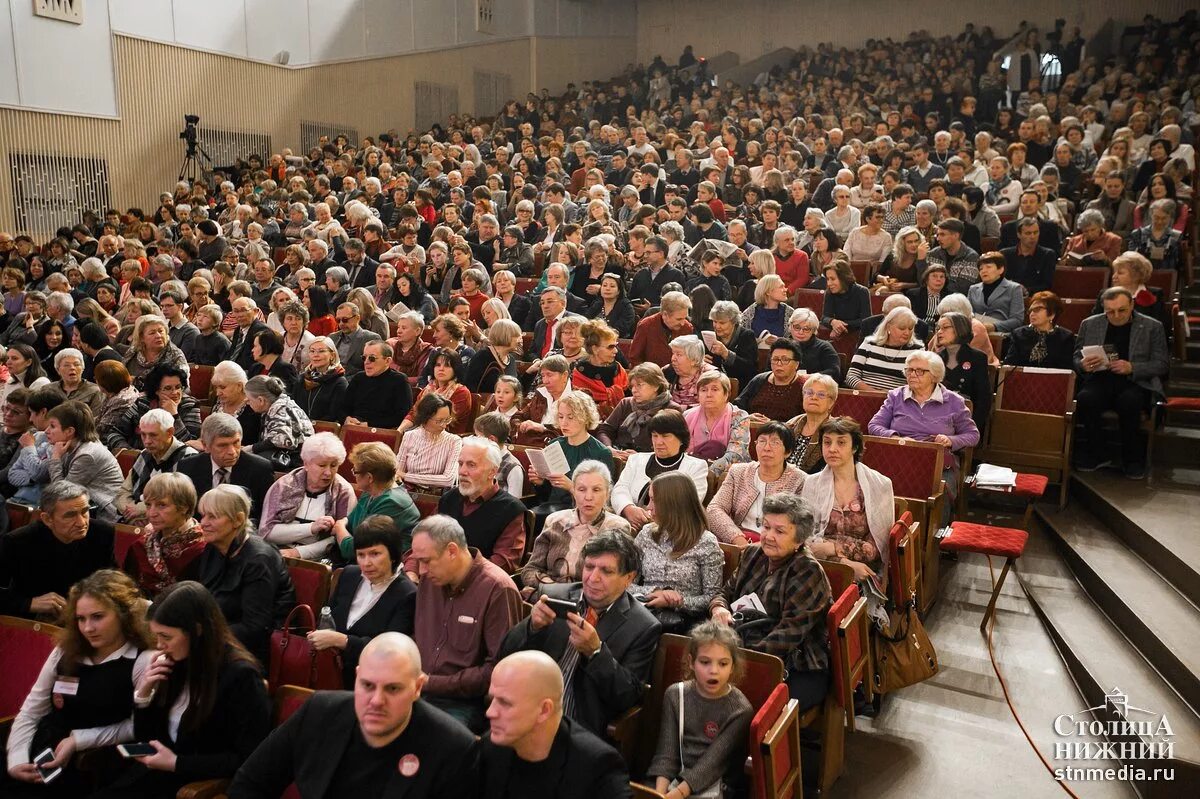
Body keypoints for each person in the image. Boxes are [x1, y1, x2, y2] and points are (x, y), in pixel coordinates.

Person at [227, 632, 480, 798]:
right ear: (356, 677)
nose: (377, 701)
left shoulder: (453, 748)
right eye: (368, 685)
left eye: (393, 688)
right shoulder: (319, 712)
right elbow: (250, 783)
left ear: (418, 687)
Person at [107, 581, 270, 797]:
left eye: (166, 637)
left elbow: (249, 758)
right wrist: (144, 693)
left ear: (198, 630)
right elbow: (147, 739)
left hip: (193, 785)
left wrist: (177, 763)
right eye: (157, 636)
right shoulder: (175, 662)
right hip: (155, 777)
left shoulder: (241, 676)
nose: (159, 645)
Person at [4, 569, 153, 797]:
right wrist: (16, 759)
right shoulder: (66, 649)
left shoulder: (142, 659)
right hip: (47, 742)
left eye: (97, 617)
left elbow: (137, 727)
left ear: (124, 614)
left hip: (99, 756)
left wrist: (78, 741)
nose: (87, 628)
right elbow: (32, 711)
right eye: (81, 619)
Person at [500, 530, 661, 737]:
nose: (593, 578)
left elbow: (626, 697)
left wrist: (596, 652)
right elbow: (505, 654)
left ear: (628, 578)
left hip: (579, 729)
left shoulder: (642, 626)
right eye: (589, 567)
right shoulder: (554, 596)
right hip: (528, 712)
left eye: (606, 571)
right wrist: (532, 627)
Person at [710, 494, 830, 708]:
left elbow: (789, 633)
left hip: (795, 662)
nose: (768, 536)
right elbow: (724, 593)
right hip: (740, 647)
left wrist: (741, 659)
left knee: (739, 704)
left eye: (780, 531)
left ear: (799, 539)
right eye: (765, 527)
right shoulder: (753, 554)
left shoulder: (807, 571)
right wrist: (719, 608)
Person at [410, 515, 523, 732]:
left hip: (464, 703)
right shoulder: (430, 580)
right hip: (417, 687)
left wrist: (431, 682)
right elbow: (419, 638)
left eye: (426, 561)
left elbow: (499, 669)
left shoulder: (498, 589)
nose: (421, 571)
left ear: (452, 551)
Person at [481, 650, 631, 799]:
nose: (490, 712)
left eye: (505, 703)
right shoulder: (491, 748)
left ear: (544, 710)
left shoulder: (597, 766)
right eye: (492, 699)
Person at [308, 516, 416, 688]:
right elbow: (327, 616)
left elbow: (389, 651)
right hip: (326, 670)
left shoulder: (407, 594)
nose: (367, 563)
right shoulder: (349, 574)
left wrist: (342, 641)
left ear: (393, 555)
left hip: (371, 681)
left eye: (375, 554)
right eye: (361, 555)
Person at [647, 622, 753, 799]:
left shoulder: (741, 709)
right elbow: (666, 754)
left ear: (733, 667)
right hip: (675, 780)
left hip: (716, 785)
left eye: (723, 664)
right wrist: (659, 794)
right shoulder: (675, 695)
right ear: (691, 662)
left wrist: (678, 794)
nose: (713, 671)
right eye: (705, 662)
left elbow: (713, 763)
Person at [1073, 287, 1169, 479]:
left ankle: (1132, 459)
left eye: (1122, 310)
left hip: (1134, 381)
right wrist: (1083, 364)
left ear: (1132, 305)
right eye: (1110, 311)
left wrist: (1132, 367)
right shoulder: (1089, 324)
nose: (1116, 316)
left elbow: (1162, 364)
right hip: (1100, 378)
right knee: (1085, 399)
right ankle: (1098, 453)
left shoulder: (1152, 326)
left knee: (1129, 402)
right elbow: (1076, 356)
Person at [192, 484, 295, 663]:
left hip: (249, 652)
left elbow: (254, 628)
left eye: (213, 516)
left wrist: (202, 636)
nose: (203, 523)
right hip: (216, 636)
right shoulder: (212, 548)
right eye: (203, 515)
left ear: (238, 520)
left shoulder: (259, 559)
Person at [868, 351, 981, 513]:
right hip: (898, 456)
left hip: (937, 463)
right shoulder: (896, 396)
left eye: (919, 371)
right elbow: (874, 425)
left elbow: (972, 435)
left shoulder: (954, 401)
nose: (912, 374)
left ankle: (934, 535)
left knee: (938, 494)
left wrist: (950, 440)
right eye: (909, 370)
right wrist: (896, 438)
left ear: (935, 376)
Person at [0, 481, 114, 618]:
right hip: (34, 619)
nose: (82, 523)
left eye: (85, 512)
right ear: (48, 519)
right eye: (70, 515)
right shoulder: (18, 542)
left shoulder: (102, 533)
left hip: (85, 616)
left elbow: (111, 580)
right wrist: (28, 604)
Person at [802, 418, 896, 583]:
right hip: (819, 565)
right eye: (827, 442)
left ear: (855, 447)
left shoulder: (880, 485)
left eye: (841, 443)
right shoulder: (812, 483)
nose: (832, 449)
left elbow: (875, 548)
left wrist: (831, 547)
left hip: (865, 569)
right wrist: (845, 565)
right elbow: (807, 541)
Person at [521, 459, 630, 598]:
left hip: (589, 602)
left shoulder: (617, 528)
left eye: (596, 490)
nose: (588, 497)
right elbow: (530, 570)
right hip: (546, 596)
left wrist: (568, 594)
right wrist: (552, 588)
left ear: (607, 493)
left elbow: (615, 582)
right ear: (573, 491)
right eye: (581, 489)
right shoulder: (555, 521)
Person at [631, 473, 724, 633]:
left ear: (672, 504)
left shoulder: (706, 543)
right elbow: (625, 583)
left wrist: (678, 601)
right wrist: (654, 593)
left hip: (684, 621)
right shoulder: (646, 534)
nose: (648, 507)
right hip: (644, 610)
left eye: (654, 500)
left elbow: (712, 599)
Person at [707, 420, 807, 548]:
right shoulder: (738, 472)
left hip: (777, 547)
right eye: (762, 441)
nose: (767, 448)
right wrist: (736, 538)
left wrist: (764, 545)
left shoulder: (800, 480)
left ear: (787, 452)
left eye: (775, 442)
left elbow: (800, 525)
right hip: (738, 541)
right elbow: (714, 509)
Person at [259, 432, 356, 561]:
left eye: (333, 466)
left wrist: (298, 552)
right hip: (275, 554)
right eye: (322, 465)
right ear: (306, 464)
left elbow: (340, 539)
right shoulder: (283, 485)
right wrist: (311, 528)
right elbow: (266, 532)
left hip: (320, 560)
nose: (328, 472)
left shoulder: (343, 491)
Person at [436, 436, 527, 573]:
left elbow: (502, 563)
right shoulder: (449, 499)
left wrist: (455, 572)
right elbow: (425, 540)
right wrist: (412, 571)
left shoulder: (511, 510)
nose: (462, 472)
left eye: (471, 465)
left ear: (492, 472)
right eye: (461, 464)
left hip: (477, 585)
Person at [177, 413, 275, 523]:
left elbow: (263, 519)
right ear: (205, 446)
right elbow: (184, 513)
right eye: (222, 445)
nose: (232, 452)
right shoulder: (188, 467)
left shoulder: (260, 469)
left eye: (236, 443)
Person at [335, 441, 420, 565]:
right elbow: (351, 521)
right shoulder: (370, 492)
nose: (354, 475)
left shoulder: (392, 503)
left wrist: (339, 527)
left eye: (355, 471)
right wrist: (342, 524)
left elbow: (355, 549)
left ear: (369, 478)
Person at [121, 473, 203, 596]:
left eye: (162, 505)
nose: (151, 514)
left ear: (184, 507)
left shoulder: (204, 550)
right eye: (148, 505)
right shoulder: (140, 546)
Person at [44, 400, 123, 522]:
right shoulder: (66, 447)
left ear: (70, 431)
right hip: (86, 509)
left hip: (105, 515)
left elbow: (62, 493)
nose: (46, 430)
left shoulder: (87, 454)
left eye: (52, 426)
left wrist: (55, 458)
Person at [114, 408, 197, 523]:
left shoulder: (189, 458)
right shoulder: (144, 455)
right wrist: (133, 515)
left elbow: (178, 501)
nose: (147, 441)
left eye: (153, 435)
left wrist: (141, 511)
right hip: (133, 521)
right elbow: (124, 491)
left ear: (170, 432)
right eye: (143, 435)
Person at [109, 361, 202, 452]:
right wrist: (131, 453)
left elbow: (191, 446)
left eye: (178, 387)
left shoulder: (190, 405)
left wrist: (174, 415)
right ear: (156, 391)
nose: (175, 393)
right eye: (168, 388)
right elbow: (115, 433)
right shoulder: (143, 403)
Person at [594, 363, 682, 458]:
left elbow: (673, 444)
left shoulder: (671, 409)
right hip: (619, 457)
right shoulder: (626, 404)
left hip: (651, 461)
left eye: (640, 385)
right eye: (632, 386)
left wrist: (641, 457)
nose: (634, 390)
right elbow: (605, 430)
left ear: (656, 386)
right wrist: (609, 449)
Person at [684, 371, 751, 479]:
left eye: (715, 389)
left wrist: (706, 473)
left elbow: (735, 455)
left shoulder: (739, 417)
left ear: (726, 394)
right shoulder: (687, 416)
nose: (709, 394)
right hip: (692, 470)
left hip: (728, 474)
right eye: (703, 390)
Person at [934, 312, 992, 431]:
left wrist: (971, 428)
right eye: (938, 328)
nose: (939, 332)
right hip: (937, 420)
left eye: (945, 327)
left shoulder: (977, 358)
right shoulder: (936, 358)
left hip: (965, 421)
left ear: (960, 329)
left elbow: (983, 399)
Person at [244, 375, 315, 469]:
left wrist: (250, 448)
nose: (246, 402)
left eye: (249, 400)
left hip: (297, 462)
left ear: (261, 400)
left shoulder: (282, 409)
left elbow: (280, 440)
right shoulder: (280, 403)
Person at [845, 306, 924, 390]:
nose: (907, 332)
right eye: (902, 328)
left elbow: (920, 382)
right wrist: (874, 394)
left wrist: (893, 397)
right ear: (888, 327)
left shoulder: (918, 350)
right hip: (867, 398)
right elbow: (851, 376)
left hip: (899, 400)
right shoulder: (869, 344)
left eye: (910, 328)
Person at [396, 394, 463, 491]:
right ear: (424, 418)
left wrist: (407, 476)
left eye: (447, 420)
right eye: (439, 421)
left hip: (437, 496)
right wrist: (403, 476)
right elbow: (398, 471)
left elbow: (448, 479)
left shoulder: (454, 441)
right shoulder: (409, 436)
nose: (444, 425)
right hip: (408, 492)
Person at [342, 339, 414, 428]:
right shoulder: (359, 378)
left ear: (387, 361)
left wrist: (369, 425)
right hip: (353, 428)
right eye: (364, 358)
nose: (366, 362)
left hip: (380, 432)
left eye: (372, 358)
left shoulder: (399, 380)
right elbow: (343, 408)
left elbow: (401, 416)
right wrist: (346, 418)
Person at [1092, 251, 1170, 333]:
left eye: (1120, 273)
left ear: (1136, 275)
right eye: (1114, 272)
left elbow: (1159, 327)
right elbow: (1094, 323)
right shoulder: (1104, 294)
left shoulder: (1155, 294)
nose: (1114, 276)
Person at [734, 339, 807, 423]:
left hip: (786, 434)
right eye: (775, 359)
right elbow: (737, 407)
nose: (779, 364)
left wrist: (772, 424)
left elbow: (804, 421)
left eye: (785, 360)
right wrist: (747, 417)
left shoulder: (804, 386)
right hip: (752, 431)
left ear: (796, 364)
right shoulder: (759, 380)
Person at [404, 349, 473, 435]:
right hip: (421, 433)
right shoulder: (427, 389)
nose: (441, 369)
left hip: (448, 438)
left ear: (455, 369)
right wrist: (399, 431)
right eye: (438, 365)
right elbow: (413, 414)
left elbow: (443, 421)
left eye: (447, 366)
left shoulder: (461, 392)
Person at [1006, 291, 1077, 370]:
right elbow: (1009, 366)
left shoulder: (1066, 337)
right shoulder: (1018, 334)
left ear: (1052, 314)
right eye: (1030, 310)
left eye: (1037, 309)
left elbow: (1066, 372)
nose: (1032, 314)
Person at [569, 320, 628, 415]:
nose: (616, 351)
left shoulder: (618, 369)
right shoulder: (576, 372)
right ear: (594, 349)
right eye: (610, 347)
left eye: (615, 346)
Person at [122, 314, 188, 390]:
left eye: (161, 331)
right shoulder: (133, 351)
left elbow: (182, 385)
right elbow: (122, 377)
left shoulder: (175, 355)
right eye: (152, 333)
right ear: (142, 337)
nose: (158, 336)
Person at [630, 290, 694, 366]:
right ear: (665, 314)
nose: (683, 323)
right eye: (679, 319)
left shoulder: (687, 328)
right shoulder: (645, 326)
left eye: (685, 318)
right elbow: (635, 358)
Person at [294, 336, 349, 423]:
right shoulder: (302, 378)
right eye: (312, 351)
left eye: (321, 351)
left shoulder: (339, 382)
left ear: (332, 355)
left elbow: (335, 415)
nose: (315, 355)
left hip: (325, 431)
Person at [967, 252, 1025, 333]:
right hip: (976, 331)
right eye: (981, 269)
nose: (984, 271)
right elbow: (968, 315)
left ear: (1001, 269)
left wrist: (994, 327)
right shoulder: (973, 289)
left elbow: (1017, 320)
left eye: (988, 267)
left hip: (1001, 334)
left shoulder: (1014, 288)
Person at [465, 319, 522, 394]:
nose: (520, 340)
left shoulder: (511, 360)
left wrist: (528, 373)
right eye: (517, 336)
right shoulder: (483, 356)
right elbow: (469, 387)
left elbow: (517, 390)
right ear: (504, 335)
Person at [819, 257, 872, 338]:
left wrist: (839, 325)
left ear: (843, 278)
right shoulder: (829, 292)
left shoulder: (862, 291)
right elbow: (824, 317)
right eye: (827, 279)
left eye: (832, 279)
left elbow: (866, 320)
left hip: (858, 335)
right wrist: (832, 321)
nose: (829, 283)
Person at [787, 308, 842, 380]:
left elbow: (834, 372)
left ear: (813, 330)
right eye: (797, 327)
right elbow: (769, 371)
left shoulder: (824, 347)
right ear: (790, 326)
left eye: (806, 329)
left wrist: (809, 377)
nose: (801, 332)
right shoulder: (781, 345)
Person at [665, 335, 716, 409]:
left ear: (694, 360)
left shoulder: (711, 376)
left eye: (678, 354)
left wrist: (679, 409)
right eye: (673, 353)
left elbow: (712, 404)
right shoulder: (668, 371)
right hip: (670, 418)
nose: (673, 358)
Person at [50, 348, 103, 417]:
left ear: (82, 368)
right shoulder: (49, 390)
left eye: (76, 364)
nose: (72, 368)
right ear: (58, 370)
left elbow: (96, 420)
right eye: (67, 365)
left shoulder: (95, 391)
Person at [586, 272, 636, 339]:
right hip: (594, 340)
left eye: (612, 286)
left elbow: (620, 330)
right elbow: (586, 322)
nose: (607, 289)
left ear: (619, 291)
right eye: (604, 285)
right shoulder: (597, 304)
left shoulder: (626, 307)